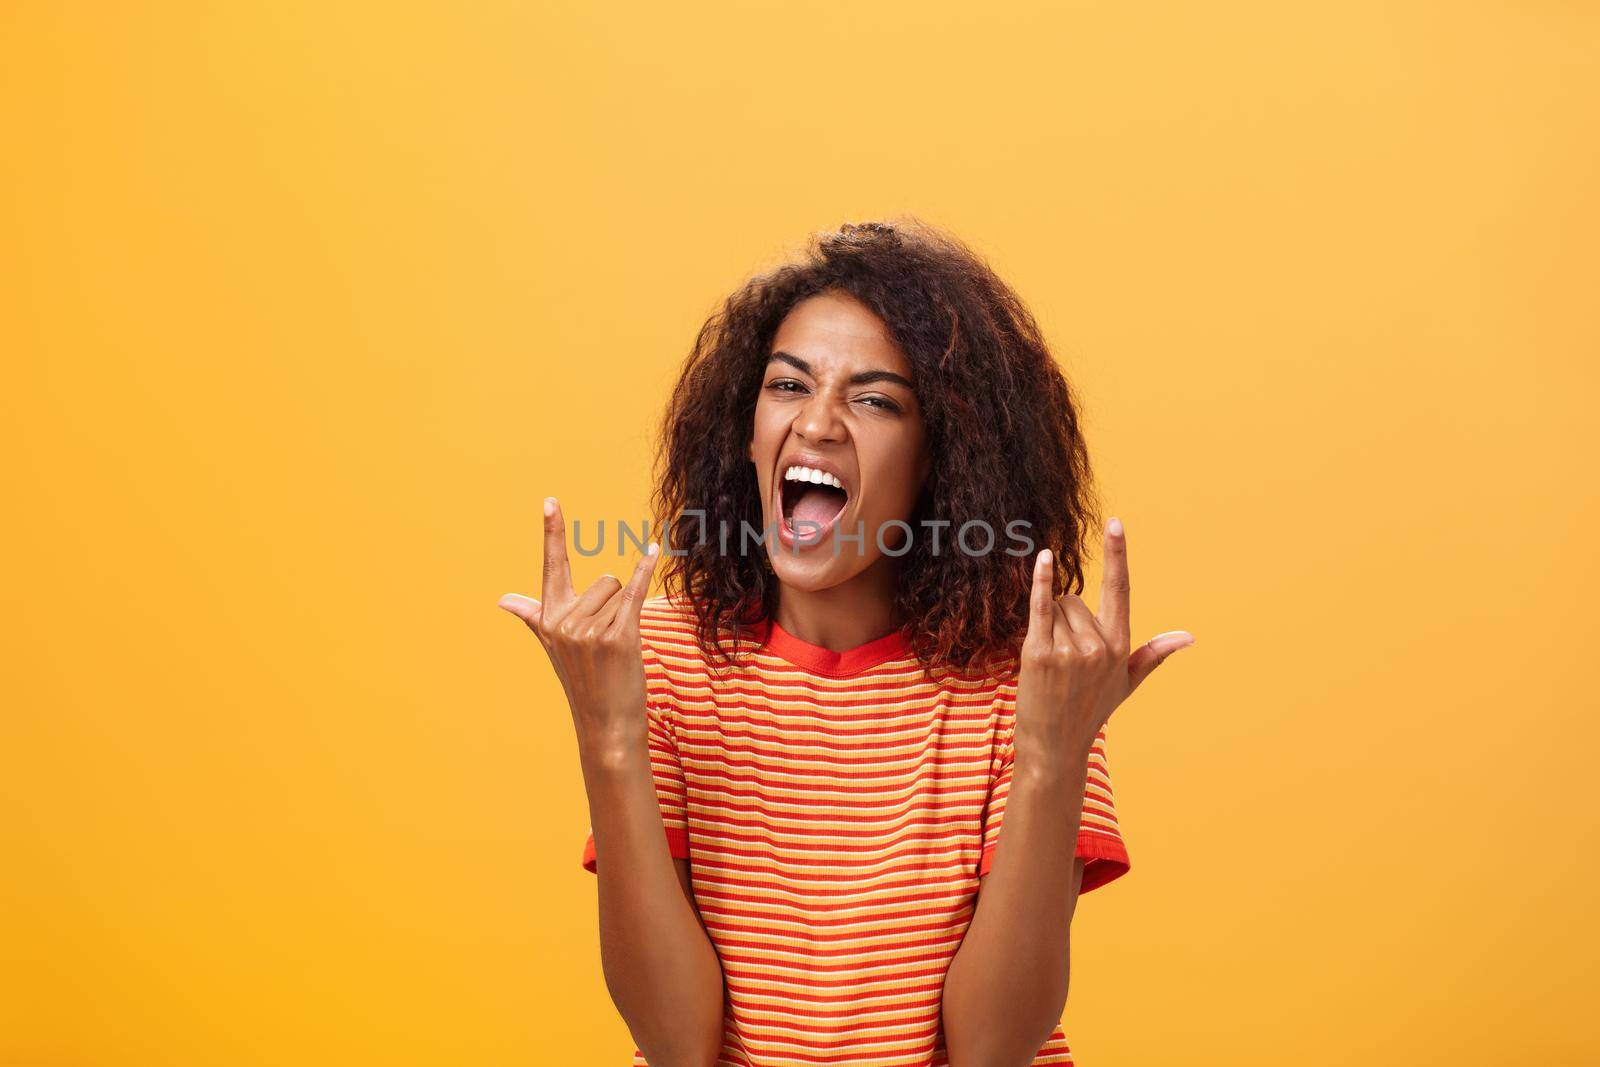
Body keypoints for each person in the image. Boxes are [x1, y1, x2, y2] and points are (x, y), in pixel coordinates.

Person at [498, 218, 1196, 1066]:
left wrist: (1052, 753)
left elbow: (992, 1050)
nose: (819, 423)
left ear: (944, 458)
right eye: (788, 386)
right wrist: (608, 736)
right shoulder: (658, 658)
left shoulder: (1033, 676)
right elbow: (676, 1043)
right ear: (746, 432)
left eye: (873, 400)